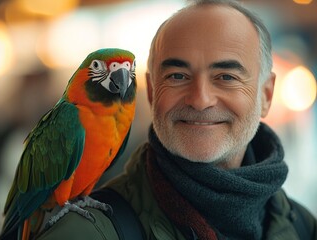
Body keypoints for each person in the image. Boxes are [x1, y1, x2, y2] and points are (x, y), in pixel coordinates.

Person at [38, 0, 317, 239]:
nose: (200, 99)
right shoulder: (86, 232)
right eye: (177, 76)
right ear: (152, 92)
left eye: (226, 77)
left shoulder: (304, 227)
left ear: (266, 95)